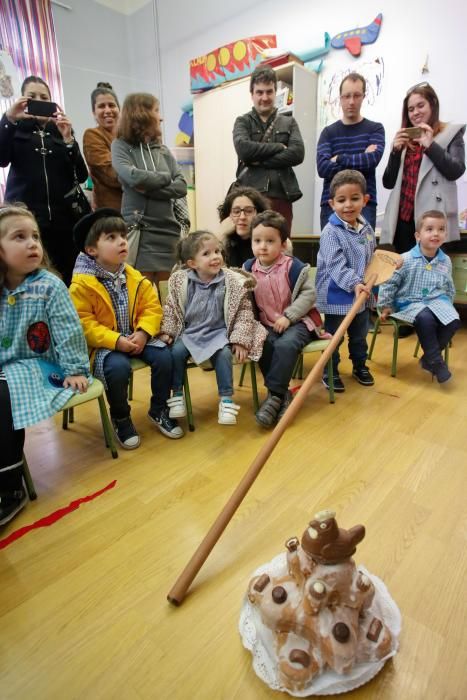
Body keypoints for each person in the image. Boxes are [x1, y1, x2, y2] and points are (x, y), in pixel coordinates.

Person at [0, 203, 90, 526]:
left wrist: (76, 369)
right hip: (6, 366)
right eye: (19, 237)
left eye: (35, 236)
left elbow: (68, 331)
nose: (32, 244)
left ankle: (10, 487)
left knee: (4, 397)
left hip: (39, 364)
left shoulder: (49, 286)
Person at [69, 208, 183, 449]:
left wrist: (143, 332)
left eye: (122, 235)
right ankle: (121, 417)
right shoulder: (81, 285)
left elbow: (152, 308)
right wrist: (116, 340)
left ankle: (159, 408)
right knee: (118, 368)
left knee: (164, 356)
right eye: (111, 237)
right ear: (92, 250)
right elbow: (84, 324)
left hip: (136, 337)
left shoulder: (134, 276)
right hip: (105, 346)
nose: (122, 241)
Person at [159, 231, 267, 425]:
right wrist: (168, 331)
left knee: (224, 355)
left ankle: (226, 400)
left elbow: (243, 312)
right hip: (191, 333)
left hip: (220, 334)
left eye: (217, 251)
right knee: (175, 352)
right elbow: (171, 308)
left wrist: (239, 340)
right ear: (192, 263)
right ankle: (176, 394)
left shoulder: (232, 281)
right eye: (207, 254)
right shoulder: (181, 281)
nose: (216, 256)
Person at [243, 210, 330, 428]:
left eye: (270, 241)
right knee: (262, 342)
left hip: (299, 321)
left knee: (286, 343)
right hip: (266, 324)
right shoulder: (247, 269)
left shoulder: (294, 267)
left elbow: (309, 295)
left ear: (282, 244)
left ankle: (274, 397)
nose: (263, 246)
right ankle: (282, 397)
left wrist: (289, 316)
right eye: (257, 240)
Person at [0, 75, 88, 285]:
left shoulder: (60, 130)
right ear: (23, 100)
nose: (38, 99)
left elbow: (82, 175)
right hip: (27, 221)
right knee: (28, 276)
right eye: (32, 96)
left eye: (44, 97)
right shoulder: (14, 129)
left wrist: (68, 140)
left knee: (67, 276)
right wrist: (8, 119)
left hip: (64, 220)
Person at [111, 93, 187, 285]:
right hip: (140, 231)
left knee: (167, 297)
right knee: (142, 297)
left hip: (168, 231)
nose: (160, 117)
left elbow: (181, 186)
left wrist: (146, 187)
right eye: (156, 110)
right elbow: (131, 176)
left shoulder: (162, 150)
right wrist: (164, 178)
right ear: (141, 113)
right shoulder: (120, 146)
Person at [381, 83, 466, 253]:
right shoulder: (405, 140)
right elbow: (388, 183)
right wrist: (395, 152)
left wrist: (430, 145)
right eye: (411, 109)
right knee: (403, 275)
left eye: (421, 105)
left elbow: (456, 170)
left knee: (432, 276)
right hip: (403, 224)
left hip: (433, 224)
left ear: (433, 105)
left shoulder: (451, 133)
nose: (415, 112)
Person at [378, 210, 460, 383]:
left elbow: (448, 286)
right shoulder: (405, 259)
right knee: (425, 318)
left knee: (453, 320)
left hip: (437, 301)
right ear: (418, 235)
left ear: (445, 234)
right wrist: (385, 306)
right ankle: (436, 362)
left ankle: (428, 359)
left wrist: (449, 307)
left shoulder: (445, 261)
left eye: (441, 229)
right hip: (410, 303)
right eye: (429, 229)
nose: (436, 233)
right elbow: (389, 283)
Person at [316, 170, 376, 393]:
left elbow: (372, 257)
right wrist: (353, 283)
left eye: (354, 198)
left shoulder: (367, 228)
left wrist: (387, 264)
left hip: (361, 296)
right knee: (335, 338)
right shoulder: (330, 232)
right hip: (337, 296)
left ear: (365, 200)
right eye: (341, 200)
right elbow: (335, 265)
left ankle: (360, 366)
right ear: (332, 204)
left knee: (359, 337)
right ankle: (329, 371)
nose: (348, 205)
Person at [232, 65, 304, 233]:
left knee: (282, 248)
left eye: (269, 92)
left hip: (282, 197)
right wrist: (278, 147)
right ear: (252, 94)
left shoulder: (289, 122)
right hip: (250, 201)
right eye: (259, 92)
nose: (264, 97)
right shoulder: (242, 122)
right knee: (252, 250)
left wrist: (257, 159)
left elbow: (297, 154)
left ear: (275, 91)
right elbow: (244, 150)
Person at [316, 72, 385, 231]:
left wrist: (338, 158)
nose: (351, 101)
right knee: (331, 253)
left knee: (363, 253)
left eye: (356, 95)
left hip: (364, 203)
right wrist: (361, 157)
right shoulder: (328, 132)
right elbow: (322, 168)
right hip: (331, 203)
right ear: (340, 98)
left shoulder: (375, 129)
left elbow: (372, 160)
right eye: (347, 96)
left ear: (363, 96)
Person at [83, 82, 122, 210]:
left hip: (138, 212)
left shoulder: (128, 136)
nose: (107, 110)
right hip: (112, 214)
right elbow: (112, 175)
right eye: (101, 106)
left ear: (119, 109)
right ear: (94, 112)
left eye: (111, 105)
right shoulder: (92, 135)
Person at [216, 186, 270, 267]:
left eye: (248, 211)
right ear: (228, 215)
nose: (242, 217)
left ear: (259, 214)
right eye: (236, 211)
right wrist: (221, 234)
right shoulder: (224, 242)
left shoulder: (268, 242)